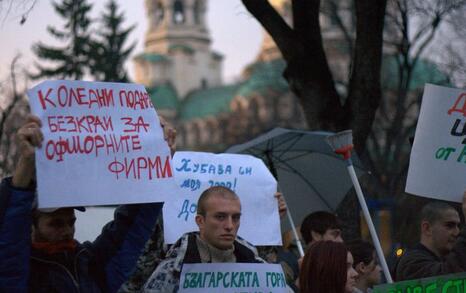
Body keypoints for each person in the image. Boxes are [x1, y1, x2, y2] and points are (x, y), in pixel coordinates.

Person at [0, 114, 176, 293]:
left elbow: (131, 227)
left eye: (71, 221)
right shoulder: (23, 272)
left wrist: (157, 159)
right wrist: (25, 165)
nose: (67, 231)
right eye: (56, 224)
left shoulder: (90, 264)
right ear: (31, 226)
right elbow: (9, 235)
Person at [142, 186, 266, 292]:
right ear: (200, 221)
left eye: (235, 217)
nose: (229, 226)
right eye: (220, 217)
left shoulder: (258, 267)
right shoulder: (171, 272)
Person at [395, 193, 466, 281]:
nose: (457, 232)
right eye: (449, 225)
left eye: (458, 226)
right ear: (427, 228)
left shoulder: (444, 259)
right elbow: (446, 279)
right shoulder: (411, 264)